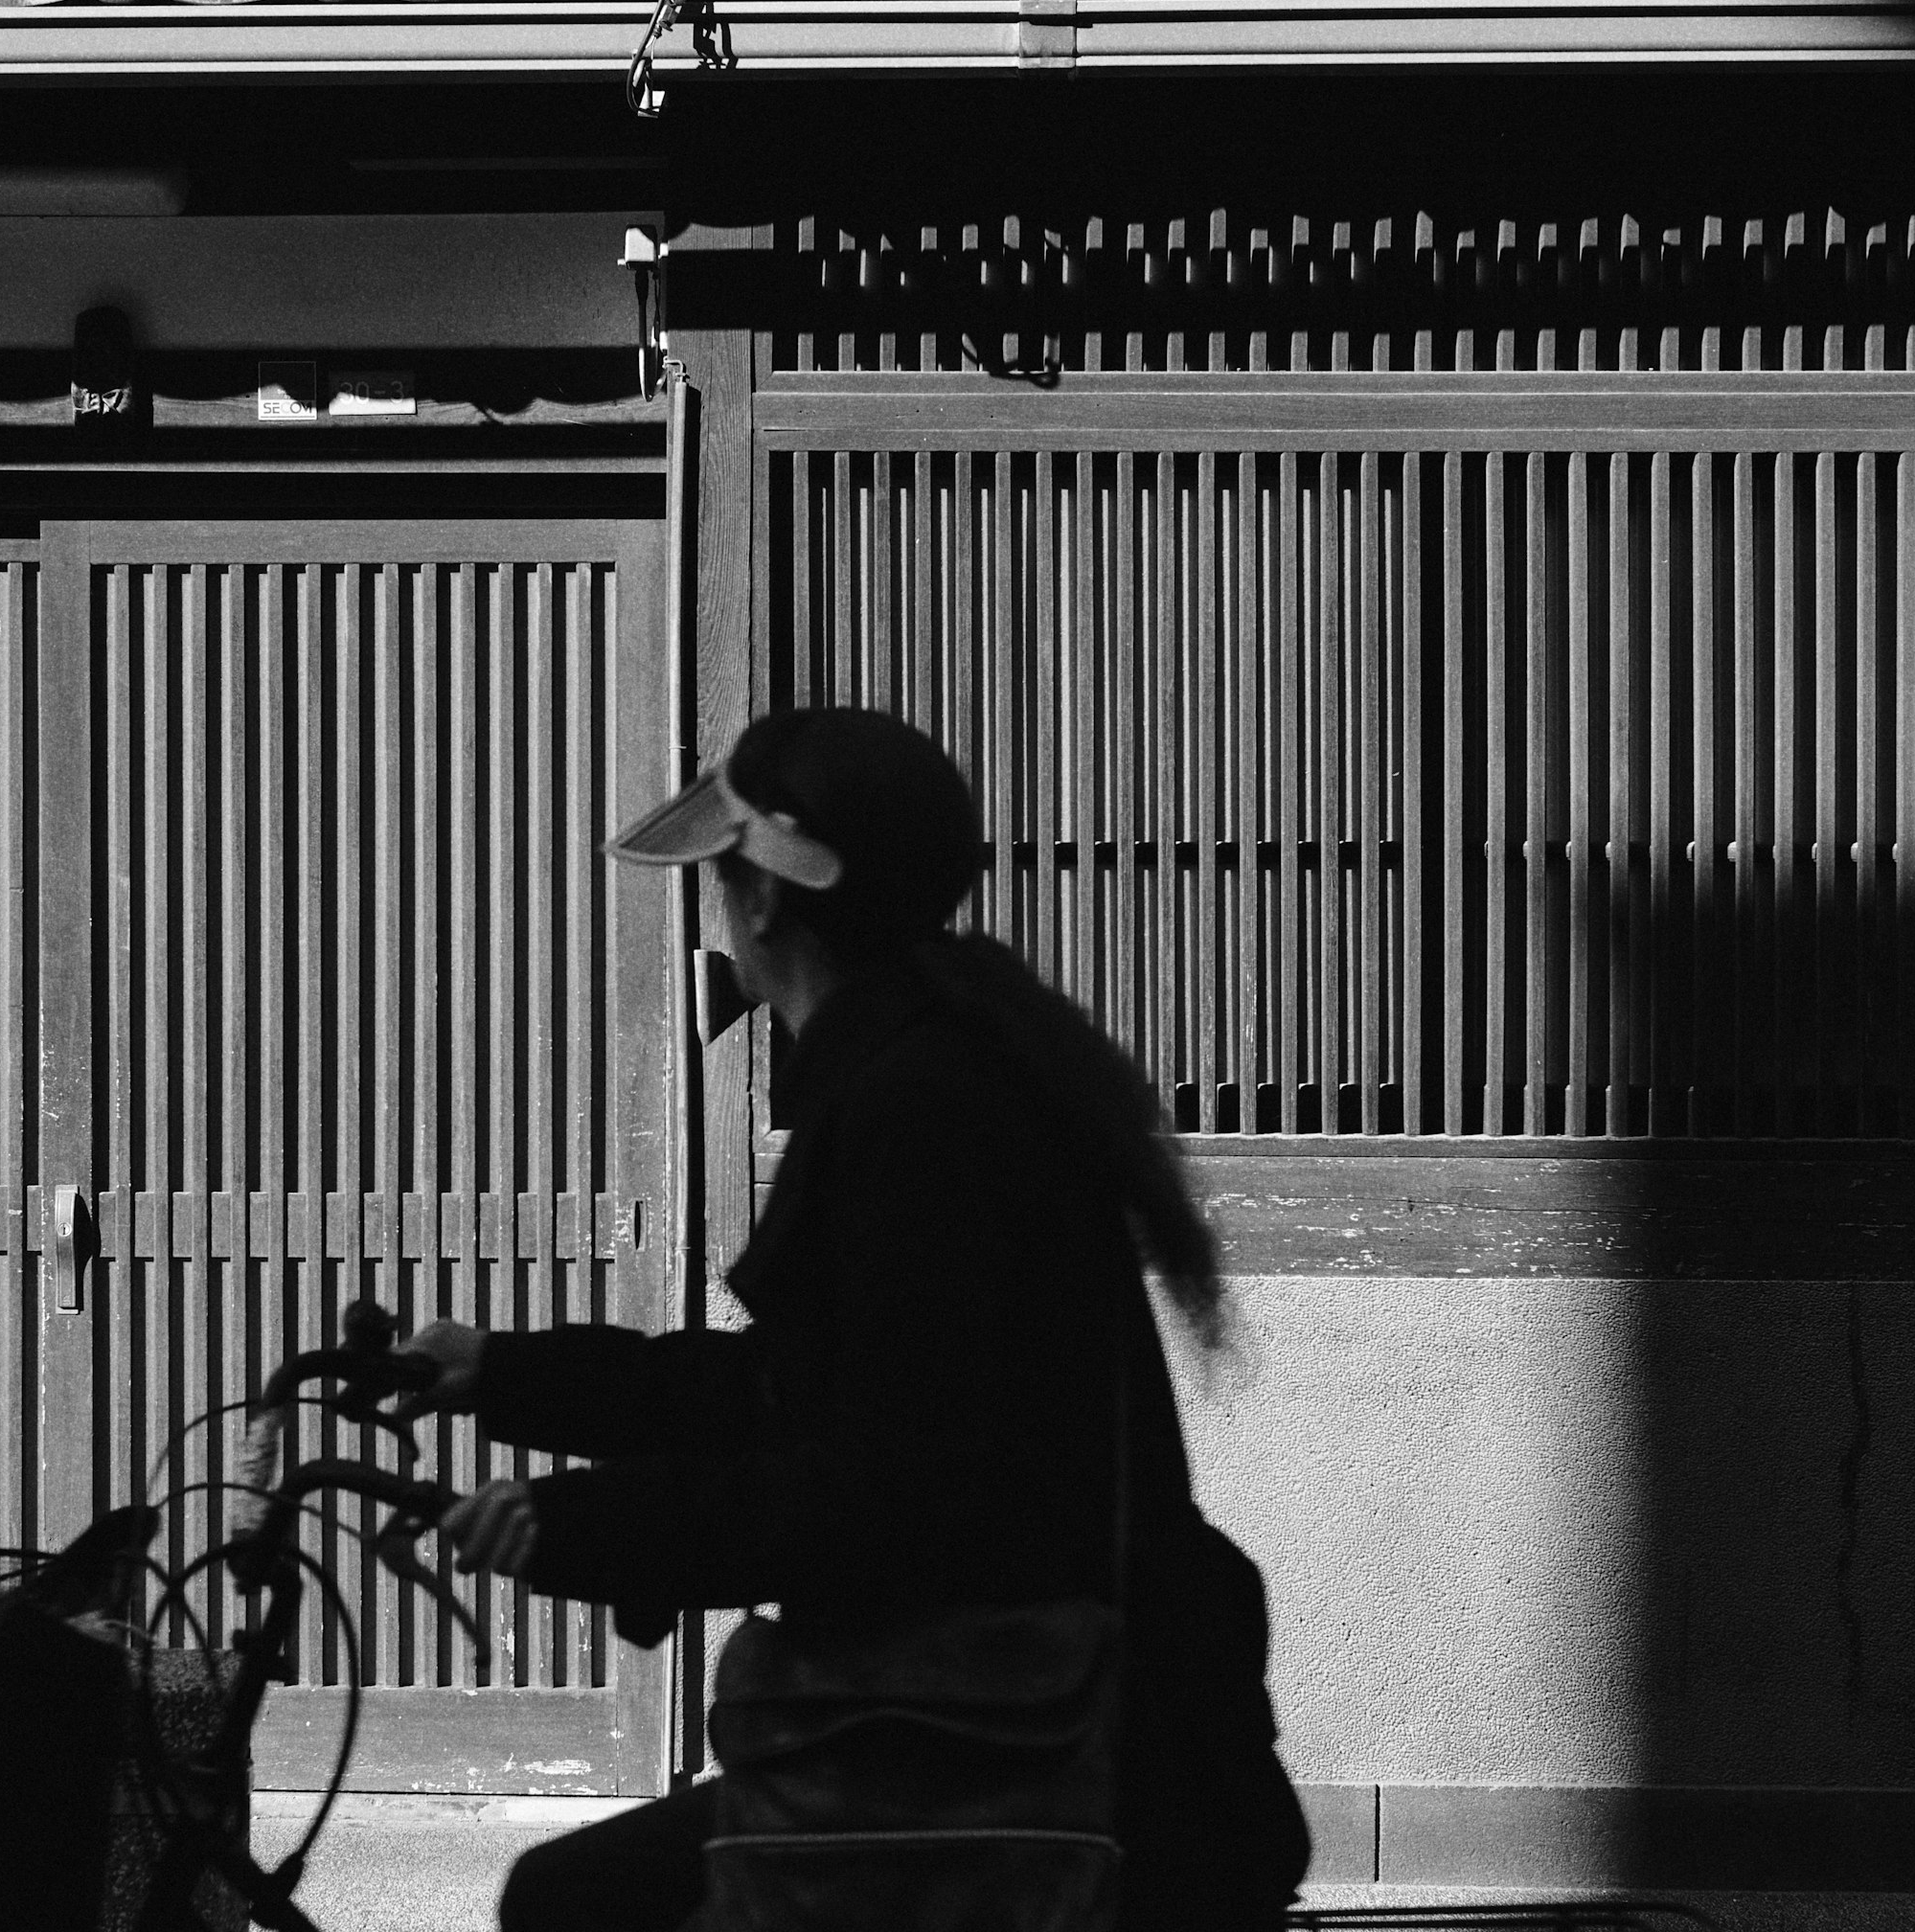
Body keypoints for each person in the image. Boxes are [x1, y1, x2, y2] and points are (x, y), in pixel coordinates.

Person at [396, 704, 1311, 1932]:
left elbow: (884, 1486)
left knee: (575, 1904)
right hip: (1044, 1724)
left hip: (1034, 1753)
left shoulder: (917, 1108)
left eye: (721, 883)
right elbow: (806, 1390)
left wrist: (586, 1523)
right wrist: (502, 1372)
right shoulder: (937, 1064)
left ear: (763, 901)